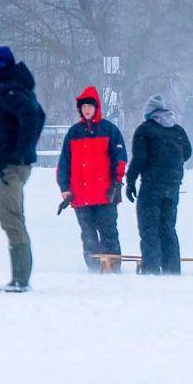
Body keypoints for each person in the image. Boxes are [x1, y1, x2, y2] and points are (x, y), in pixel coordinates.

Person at [0, 46, 46, 293]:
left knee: (11, 218)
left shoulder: (9, 90)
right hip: (5, 164)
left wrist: (15, 153)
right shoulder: (7, 89)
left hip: (9, 168)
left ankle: (20, 279)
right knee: (11, 217)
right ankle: (18, 277)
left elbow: (33, 116)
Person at [58, 86, 128, 272]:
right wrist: (64, 187)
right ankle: (94, 269)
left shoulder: (110, 130)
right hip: (81, 196)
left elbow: (120, 158)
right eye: (84, 106)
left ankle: (113, 268)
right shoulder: (73, 133)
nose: (87, 109)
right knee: (88, 235)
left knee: (109, 233)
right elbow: (64, 163)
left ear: (96, 107)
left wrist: (117, 179)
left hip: (106, 194)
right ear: (80, 109)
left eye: (90, 105)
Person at [126, 95, 192, 275]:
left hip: (151, 186)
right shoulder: (178, 130)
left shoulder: (145, 130)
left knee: (149, 229)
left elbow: (139, 158)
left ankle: (152, 270)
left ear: (149, 114)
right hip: (173, 187)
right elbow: (187, 153)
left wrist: (130, 181)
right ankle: (172, 270)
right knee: (168, 228)